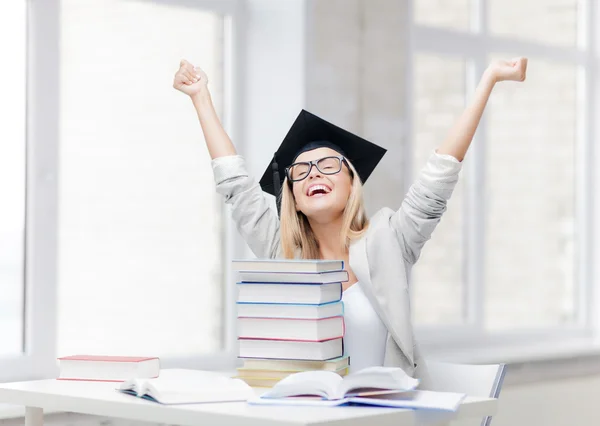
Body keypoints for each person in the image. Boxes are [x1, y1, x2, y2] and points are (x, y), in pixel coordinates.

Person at [172, 57, 527, 381]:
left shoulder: (390, 239)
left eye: (329, 166)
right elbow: (237, 187)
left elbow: (438, 178)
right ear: (291, 194)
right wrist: (200, 97)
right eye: (301, 170)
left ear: (351, 182)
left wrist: (488, 81)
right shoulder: (282, 251)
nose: (314, 174)